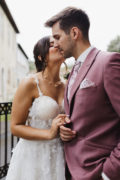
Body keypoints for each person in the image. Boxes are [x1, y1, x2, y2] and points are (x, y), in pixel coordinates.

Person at [45, 7, 120, 180]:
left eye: (57, 37)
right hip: (70, 170)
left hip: (98, 171)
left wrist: (109, 172)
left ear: (74, 33)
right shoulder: (72, 71)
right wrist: (65, 130)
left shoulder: (107, 62)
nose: (54, 44)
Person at [6, 36, 66, 180]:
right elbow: (15, 127)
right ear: (41, 56)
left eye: (59, 43)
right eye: (52, 44)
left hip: (59, 155)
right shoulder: (30, 83)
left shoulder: (67, 85)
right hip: (32, 158)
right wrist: (49, 133)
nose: (58, 45)